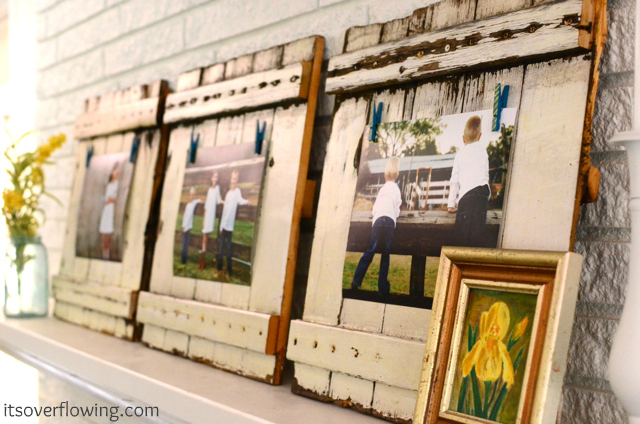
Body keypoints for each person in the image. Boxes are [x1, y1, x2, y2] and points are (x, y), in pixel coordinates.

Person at [351, 157, 401, 297]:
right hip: (390, 221)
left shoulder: (382, 189)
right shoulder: (396, 190)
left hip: (378, 220)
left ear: (385, 175)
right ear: (397, 175)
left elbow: (375, 209)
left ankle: (357, 280)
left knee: (370, 250)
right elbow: (397, 209)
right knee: (385, 254)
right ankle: (382, 288)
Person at [447, 115, 491, 247]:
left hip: (467, 195)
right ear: (480, 135)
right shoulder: (483, 151)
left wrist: (451, 203)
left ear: (463, 138)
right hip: (482, 193)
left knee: (462, 235)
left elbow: (454, 180)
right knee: (476, 235)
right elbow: (485, 175)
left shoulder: (460, 154)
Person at [217, 170, 250, 279]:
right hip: (224, 225)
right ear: (230, 180)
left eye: (236, 179)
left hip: (230, 227)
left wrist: (247, 201)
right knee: (221, 249)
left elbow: (240, 201)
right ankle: (219, 269)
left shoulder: (237, 192)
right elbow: (225, 211)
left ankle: (229, 271)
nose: (234, 181)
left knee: (229, 249)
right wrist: (221, 226)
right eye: (232, 179)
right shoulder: (228, 193)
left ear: (237, 180)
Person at [199, 171, 223, 270]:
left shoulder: (217, 188)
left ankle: (208, 259)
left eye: (217, 176)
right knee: (204, 238)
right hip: (207, 215)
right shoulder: (209, 189)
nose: (215, 178)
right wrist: (204, 218)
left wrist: (226, 202)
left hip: (211, 216)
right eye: (214, 176)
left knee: (207, 237)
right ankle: (202, 262)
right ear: (211, 178)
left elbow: (219, 200)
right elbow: (206, 205)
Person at [99, 163, 120, 260]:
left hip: (111, 210)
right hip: (106, 210)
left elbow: (114, 198)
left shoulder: (117, 184)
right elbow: (104, 198)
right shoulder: (108, 184)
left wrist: (109, 200)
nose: (116, 172)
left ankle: (108, 255)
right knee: (104, 235)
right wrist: (107, 201)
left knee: (108, 236)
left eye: (117, 170)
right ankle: (104, 255)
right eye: (115, 170)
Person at [180, 187, 201, 264]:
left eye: (193, 195)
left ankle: (185, 257)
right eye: (191, 195)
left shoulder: (194, 203)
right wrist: (183, 226)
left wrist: (199, 200)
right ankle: (183, 258)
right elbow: (185, 216)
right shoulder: (188, 205)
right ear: (189, 196)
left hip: (189, 227)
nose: (192, 196)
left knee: (187, 243)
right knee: (184, 243)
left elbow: (199, 200)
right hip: (185, 226)